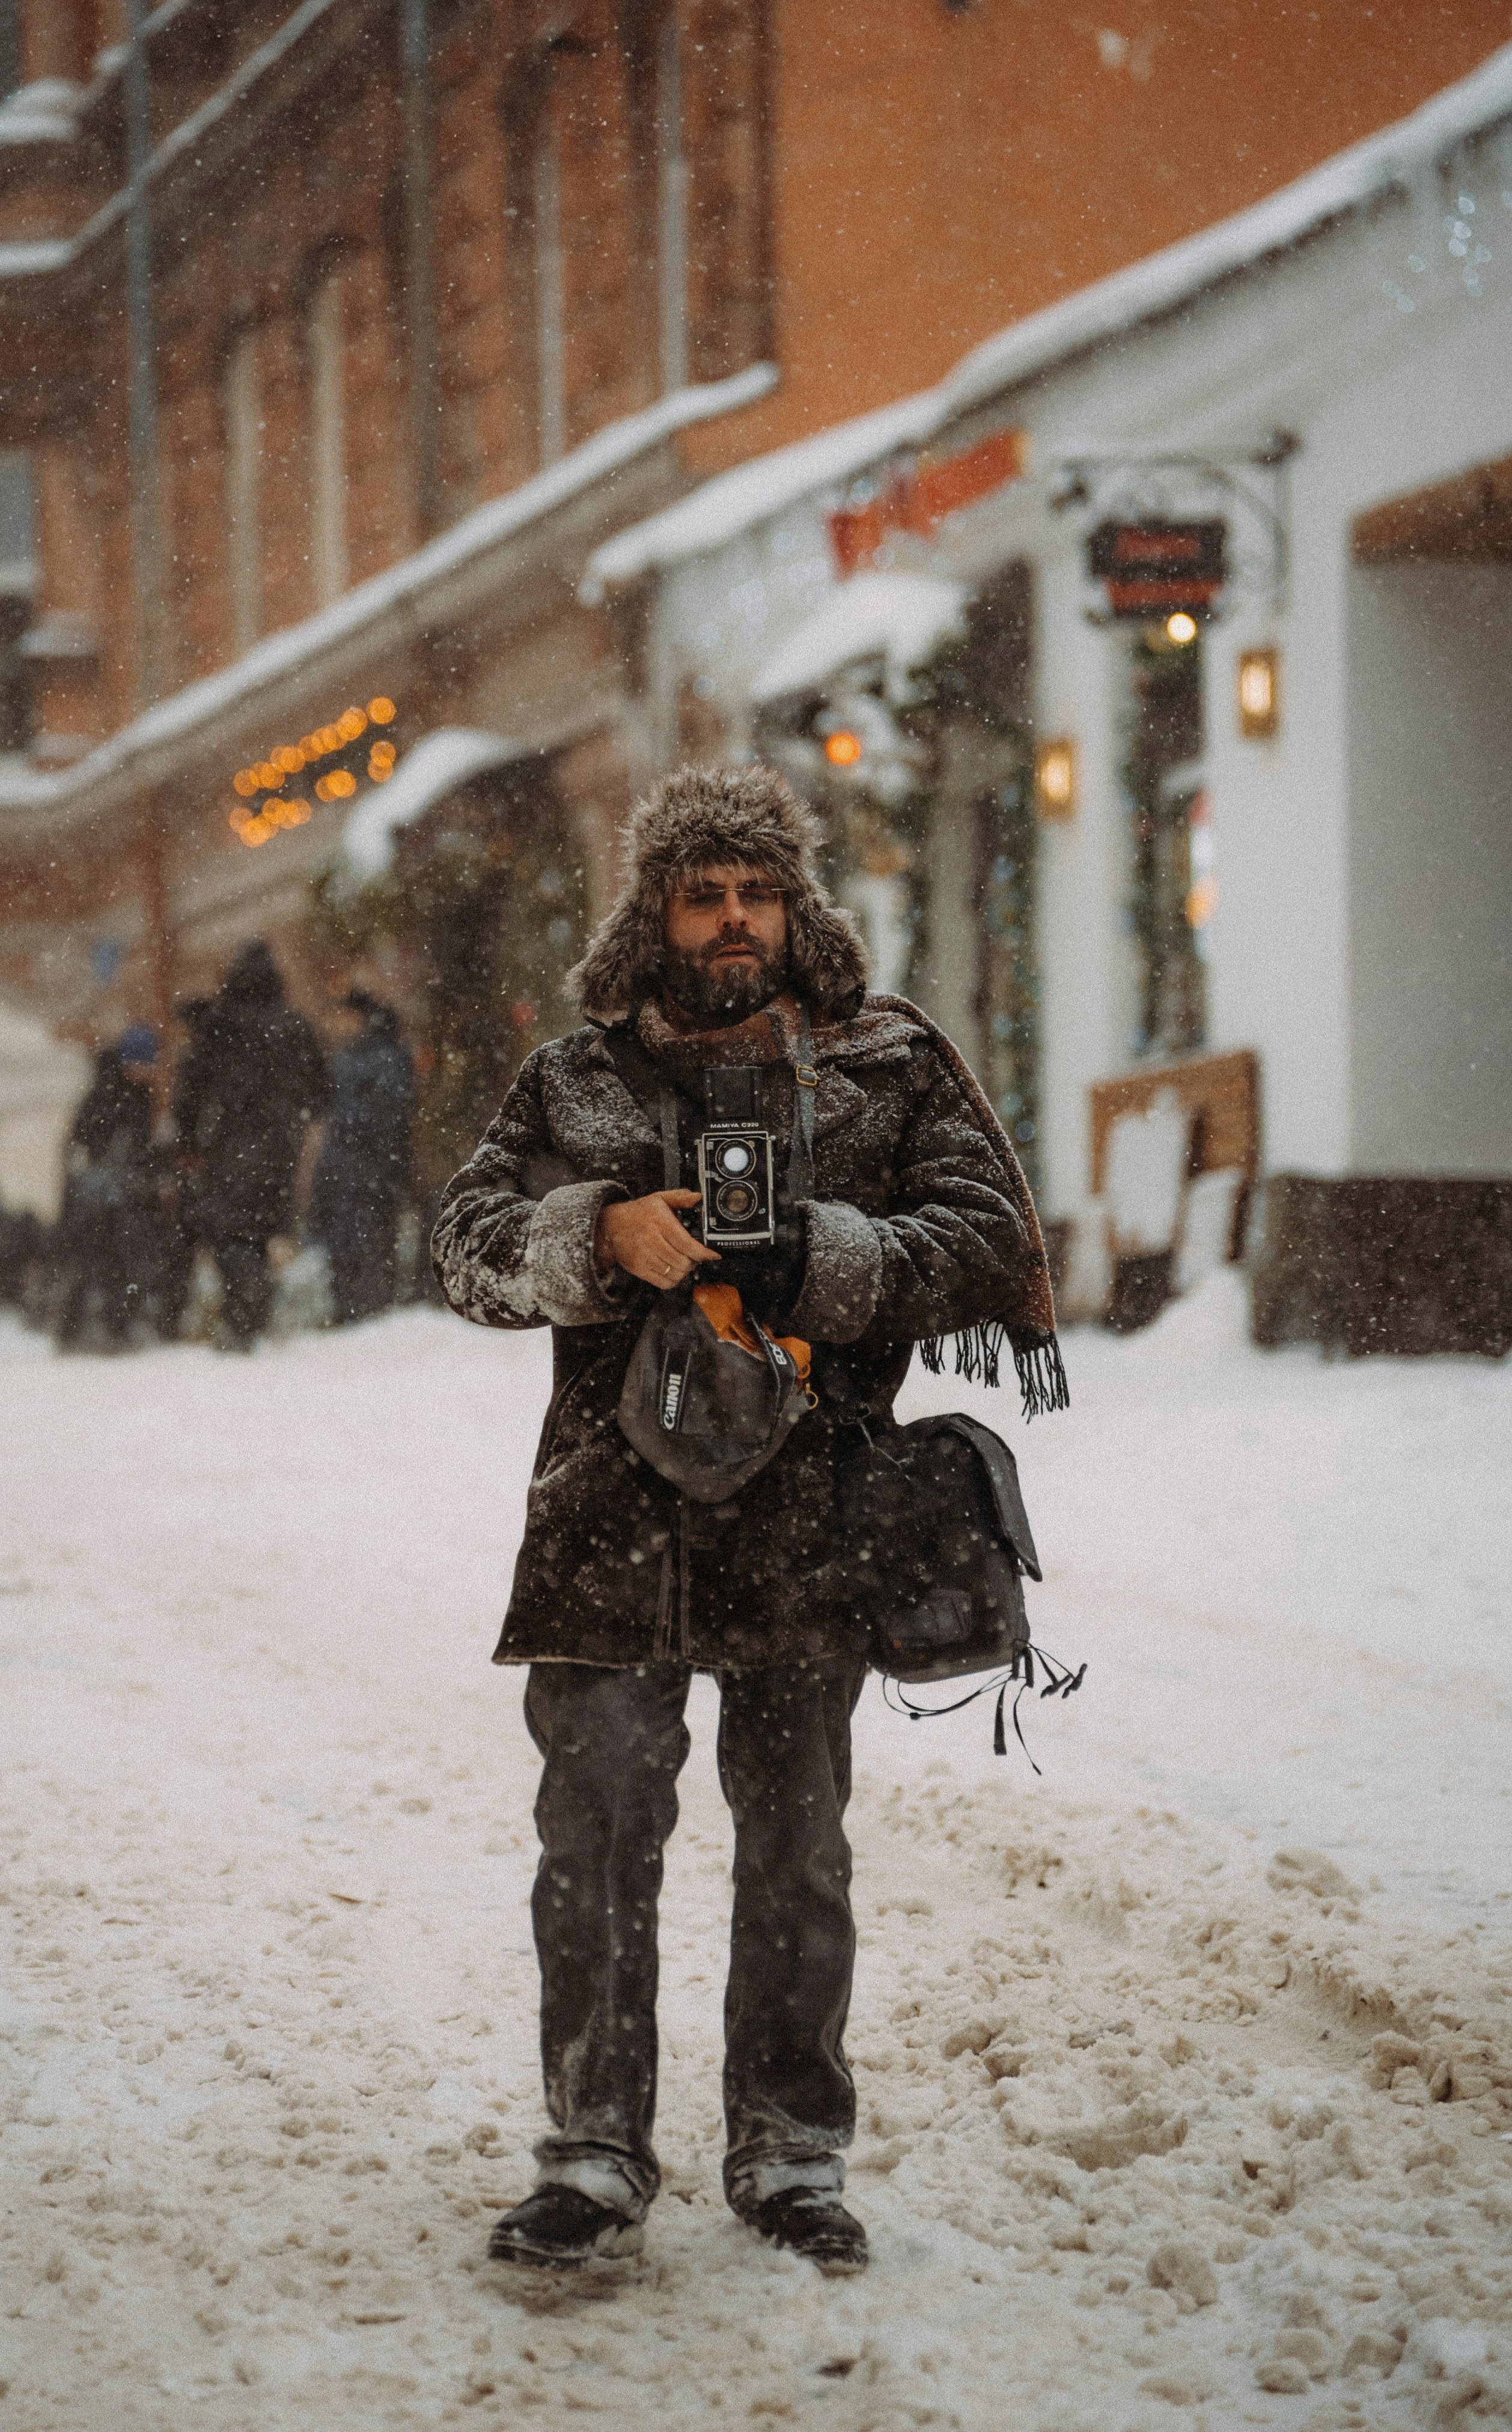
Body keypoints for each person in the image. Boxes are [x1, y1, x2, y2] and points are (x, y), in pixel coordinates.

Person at [432, 765, 1060, 2277]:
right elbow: (463, 1249)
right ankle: (592, 2146)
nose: (730, 919)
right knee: (593, 1833)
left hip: (810, 1506)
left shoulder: (885, 1063)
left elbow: (985, 1246)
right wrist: (595, 1234)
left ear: (797, 906)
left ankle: (787, 2149)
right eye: (700, 891)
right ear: (654, 911)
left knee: (794, 1842)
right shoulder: (572, 1079)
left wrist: (815, 1256)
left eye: (755, 891)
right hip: (608, 1506)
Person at [173, 941, 329, 1348]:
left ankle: (244, 1316)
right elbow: (322, 1091)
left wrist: (188, 1138)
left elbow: (190, 1088)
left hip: (231, 1142)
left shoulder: (219, 1024)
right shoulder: (294, 1024)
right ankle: (252, 1312)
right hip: (282, 1145)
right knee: (260, 1231)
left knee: (230, 1231)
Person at [306, 992, 415, 1324]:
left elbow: (384, 1116)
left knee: (364, 1241)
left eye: (345, 1017)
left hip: (364, 1166)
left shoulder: (376, 1057)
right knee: (357, 1241)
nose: (339, 1024)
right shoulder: (361, 1056)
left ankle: (363, 1312)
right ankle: (356, 1309)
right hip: (357, 1167)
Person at [53, 1028, 159, 1349]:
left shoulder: (122, 1091)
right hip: (103, 1196)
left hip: (110, 1194)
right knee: (105, 1260)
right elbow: (91, 1145)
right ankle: (95, 1329)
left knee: (106, 1261)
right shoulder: (114, 1093)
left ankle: (96, 1328)